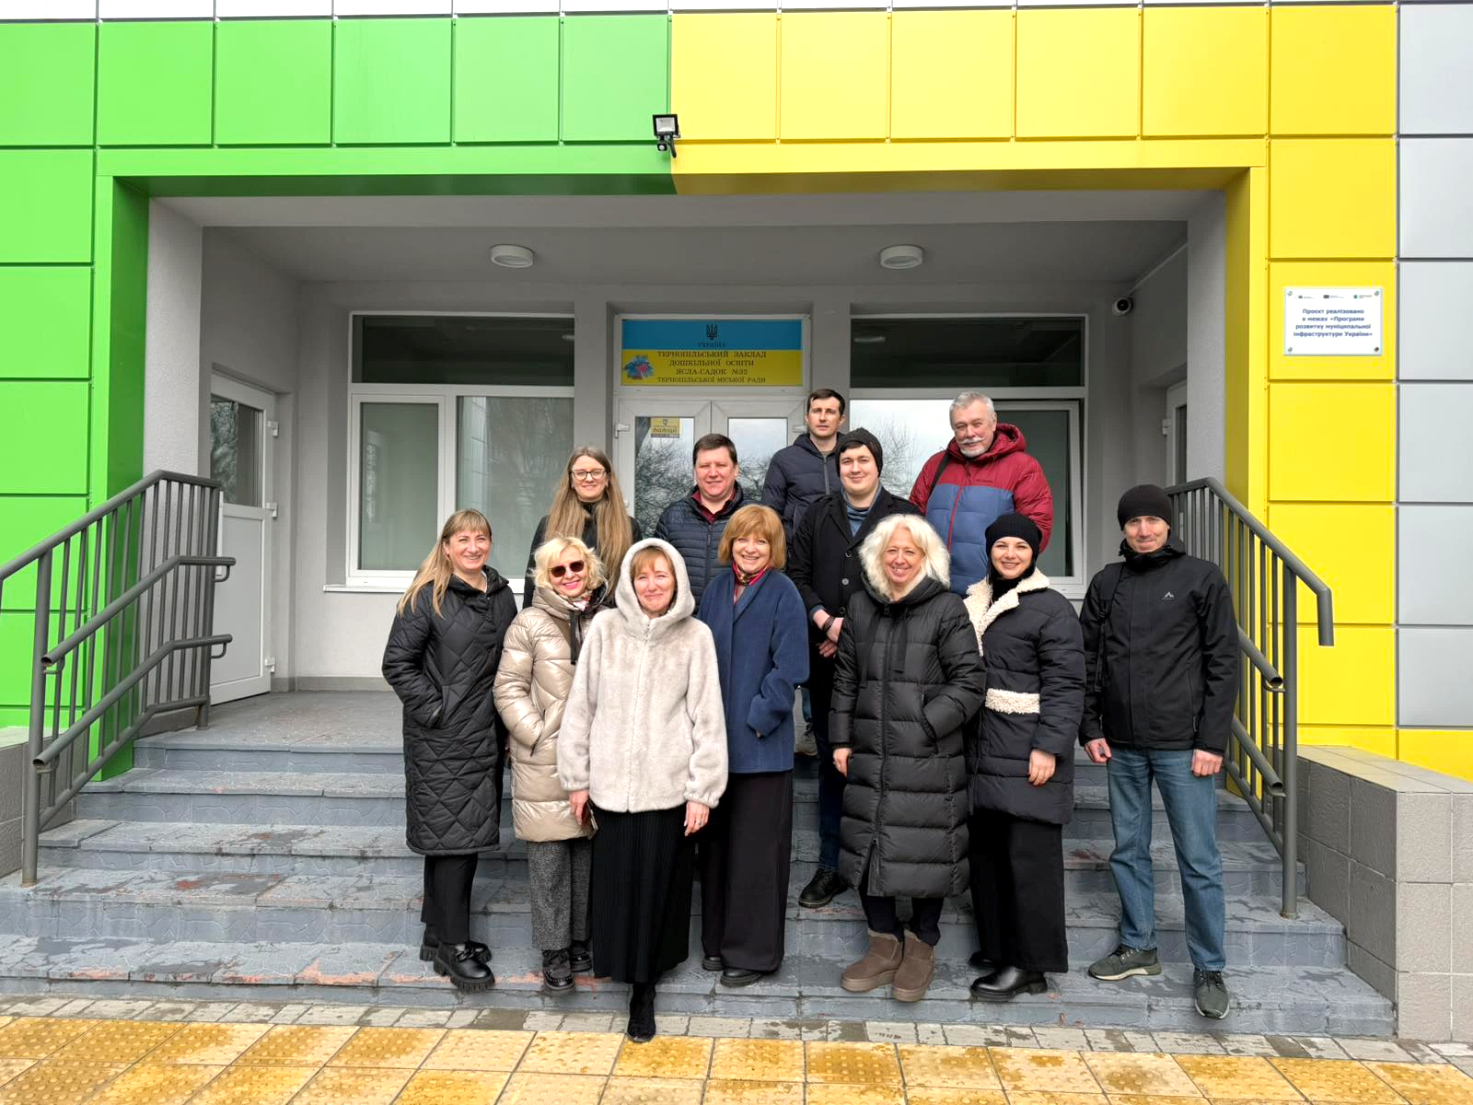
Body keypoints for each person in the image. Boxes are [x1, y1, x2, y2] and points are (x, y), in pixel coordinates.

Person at [1079, 484, 1239, 1020]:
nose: (1143, 530)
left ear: (1168, 525)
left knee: (1199, 860)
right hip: (1120, 745)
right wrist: (1090, 727)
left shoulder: (1201, 577)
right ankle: (1138, 946)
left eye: (1152, 520)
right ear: (1123, 529)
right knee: (1129, 850)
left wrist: (1211, 741)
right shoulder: (1107, 582)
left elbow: (1223, 663)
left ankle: (1209, 966)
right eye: (1133, 522)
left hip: (1183, 748)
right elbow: (1087, 659)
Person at [559, 538, 727, 1042]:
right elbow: (581, 707)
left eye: (661, 575)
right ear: (630, 584)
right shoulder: (606, 629)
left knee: (657, 893)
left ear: (677, 580)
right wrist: (577, 778)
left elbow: (708, 719)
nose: (652, 585)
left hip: (667, 790)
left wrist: (702, 792)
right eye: (642, 577)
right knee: (616, 890)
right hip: (610, 787)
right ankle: (622, 967)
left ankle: (644, 992)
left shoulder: (696, 636)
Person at [829, 514, 985, 1003]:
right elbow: (845, 678)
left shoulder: (946, 608)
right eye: (891, 551)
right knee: (868, 842)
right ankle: (883, 944)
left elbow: (970, 681)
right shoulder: (860, 605)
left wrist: (925, 724)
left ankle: (921, 946)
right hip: (868, 751)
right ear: (878, 557)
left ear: (925, 558)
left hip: (926, 756)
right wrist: (839, 739)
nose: (899, 559)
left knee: (925, 848)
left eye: (909, 552)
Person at [382, 508, 516, 994]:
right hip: (441, 738)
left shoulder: (501, 595)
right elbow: (397, 664)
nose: (473, 547)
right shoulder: (427, 596)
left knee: (459, 837)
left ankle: (438, 935)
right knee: (454, 842)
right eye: (463, 539)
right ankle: (455, 946)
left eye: (481, 538)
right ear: (446, 546)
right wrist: (438, 710)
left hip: (484, 734)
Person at [788, 428, 919, 909]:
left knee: (884, 768)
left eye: (863, 460)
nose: (855, 468)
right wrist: (824, 621)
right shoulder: (817, 513)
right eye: (847, 461)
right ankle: (831, 865)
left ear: (878, 465)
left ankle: (882, 867)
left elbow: (915, 582)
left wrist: (853, 633)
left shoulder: (904, 515)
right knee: (833, 764)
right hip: (826, 666)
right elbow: (797, 574)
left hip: (886, 670)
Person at [963, 513, 1085, 1001]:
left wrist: (1049, 746)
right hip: (983, 747)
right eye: (1001, 546)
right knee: (989, 855)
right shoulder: (975, 599)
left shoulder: (1052, 608)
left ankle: (1030, 964)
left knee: (1029, 862)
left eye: (1020, 546)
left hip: (1027, 746)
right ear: (989, 550)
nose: (1010, 554)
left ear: (1035, 553)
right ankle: (999, 947)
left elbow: (1067, 683)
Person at [695, 505, 809, 987]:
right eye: (743, 538)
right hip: (712, 747)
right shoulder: (715, 590)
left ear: (773, 547)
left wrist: (757, 720)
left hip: (761, 748)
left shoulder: (784, 592)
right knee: (716, 851)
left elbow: (791, 668)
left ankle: (755, 954)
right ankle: (717, 942)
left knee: (756, 857)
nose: (750, 547)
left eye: (761, 540)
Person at [494, 537, 607, 995]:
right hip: (544, 757)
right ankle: (554, 952)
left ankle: (579, 941)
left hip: (595, 756)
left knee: (584, 854)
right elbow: (508, 687)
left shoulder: (606, 617)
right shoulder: (529, 623)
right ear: (545, 577)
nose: (569, 576)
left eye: (576, 566)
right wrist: (536, 734)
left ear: (590, 567)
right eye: (558, 570)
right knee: (549, 860)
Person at [909, 391, 1054, 596]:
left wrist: (1005, 575)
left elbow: (1037, 530)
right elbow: (912, 523)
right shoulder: (936, 465)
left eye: (977, 424)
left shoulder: (1023, 467)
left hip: (991, 594)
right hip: (934, 592)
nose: (969, 433)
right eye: (961, 426)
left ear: (993, 422)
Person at [522, 447, 639, 609]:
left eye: (596, 472)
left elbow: (634, 583)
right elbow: (533, 582)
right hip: (558, 620)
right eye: (581, 473)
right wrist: (529, 616)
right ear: (571, 480)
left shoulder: (629, 527)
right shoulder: (549, 524)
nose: (589, 478)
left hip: (612, 620)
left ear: (607, 479)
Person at [654, 434, 746, 607]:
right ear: (695, 471)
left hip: (738, 620)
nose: (713, 473)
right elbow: (653, 572)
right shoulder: (672, 517)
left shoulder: (755, 517)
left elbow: (776, 572)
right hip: (683, 621)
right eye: (704, 466)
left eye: (721, 465)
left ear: (736, 470)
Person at [762, 388, 846, 542]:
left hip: (846, 549)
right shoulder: (784, 459)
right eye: (816, 411)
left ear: (841, 419)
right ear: (807, 418)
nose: (822, 418)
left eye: (830, 412)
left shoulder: (853, 457)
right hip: (798, 550)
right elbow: (770, 514)